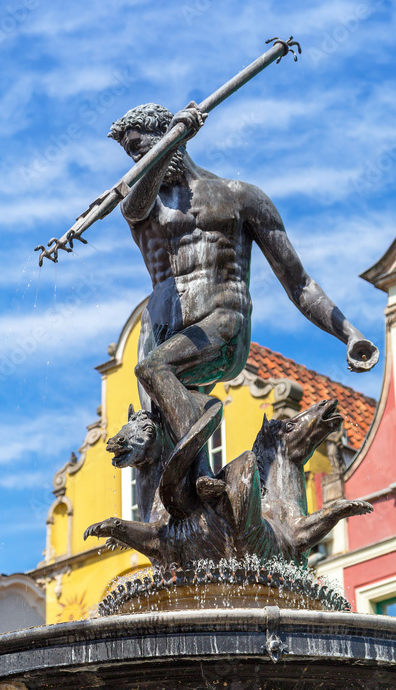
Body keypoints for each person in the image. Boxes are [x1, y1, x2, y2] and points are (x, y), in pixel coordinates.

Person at [108, 101, 379, 488]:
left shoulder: (240, 197)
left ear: (166, 135)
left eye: (140, 147)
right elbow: (134, 208)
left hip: (220, 324)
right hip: (163, 330)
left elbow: (299, 283)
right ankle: (201, 500)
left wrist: (349, 333)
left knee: (153, 370)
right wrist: (163, 149)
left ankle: (205, 428)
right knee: (157, 449)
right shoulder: (141, 203)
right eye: (131, 154)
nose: (136, 160)